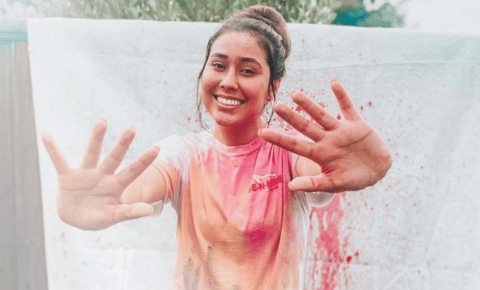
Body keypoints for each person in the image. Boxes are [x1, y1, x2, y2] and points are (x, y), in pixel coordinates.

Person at [41, 5, 392, 290]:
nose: (228, 81)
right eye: (219, 65)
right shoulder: (184, 154)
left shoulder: (289, 153)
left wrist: (362, 165)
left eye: (248, 70)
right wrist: (107, 198)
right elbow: (142, 184)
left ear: (273, 86)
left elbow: (321, 171)